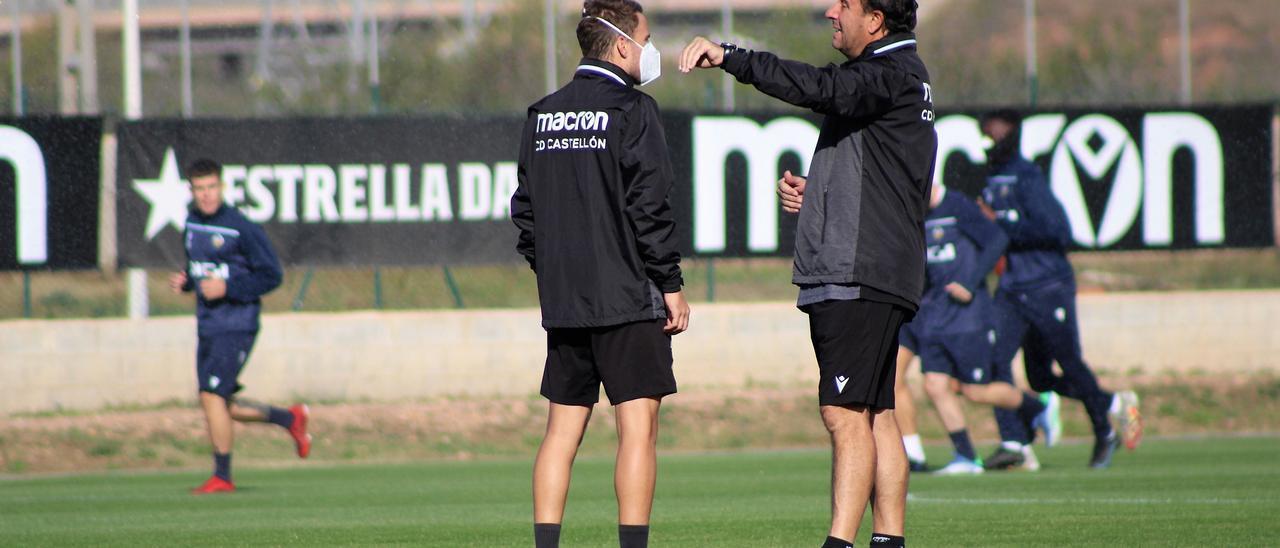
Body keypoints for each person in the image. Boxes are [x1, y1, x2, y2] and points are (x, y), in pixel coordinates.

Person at [680, 1, 933, 546]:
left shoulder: (884, 74)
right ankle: (889, 540)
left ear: (876, 20)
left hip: (857, 273)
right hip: (880, 269)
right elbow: (882, 179)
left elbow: (818, 87)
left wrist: (731, 57)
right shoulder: (902, 77)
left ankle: (838, 543)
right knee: (876, 412)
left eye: (843, 4)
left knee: (843, 414)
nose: (828, 11)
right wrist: (817, 190)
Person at [510, 2, 690, 547]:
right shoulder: (635, 111)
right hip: (630, 301)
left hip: (566, 305)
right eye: (646, 38)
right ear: (619, 46)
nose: (650, 50)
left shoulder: (542, 113)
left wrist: (559, 273)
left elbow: (525, 214)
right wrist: (671, 286)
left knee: (561, 434)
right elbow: (650, 208)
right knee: (637, 431)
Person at [976, 110, 1142, 470]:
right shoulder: (992, 178)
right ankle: (1017, 444)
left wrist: (1000, 224)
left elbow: (1057, 231)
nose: (989, 140)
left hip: (1047, 286)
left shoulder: (1027, 175)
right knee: (1005, 365)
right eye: (986, 134)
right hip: (1012, 288)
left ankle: (1104, 428)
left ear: (1010, 136)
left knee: (1068, 364)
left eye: (995, 133)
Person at [167, 159, 310, 495]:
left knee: (212, 395)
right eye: (199, 189)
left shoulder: (241, 227)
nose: (206, 195)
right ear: (191, 191)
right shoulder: (190, 222)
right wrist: (189, 282)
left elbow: (271, 275)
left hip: (237, 323)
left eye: (211, 187)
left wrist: (228, 289)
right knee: (217, 402)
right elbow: (203, 269)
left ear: (223, 187)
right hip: (208, 323)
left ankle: (223, 477)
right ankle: (290, 420)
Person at [899, 183, 1055, 475]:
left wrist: (969, 283)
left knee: (975, 391)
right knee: (934, 384)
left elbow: (996, 239)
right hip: (934, 316)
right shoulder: (916, 213)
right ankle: (966, 456)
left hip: (968, 318)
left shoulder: (958, 206)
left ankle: (1039, 407)